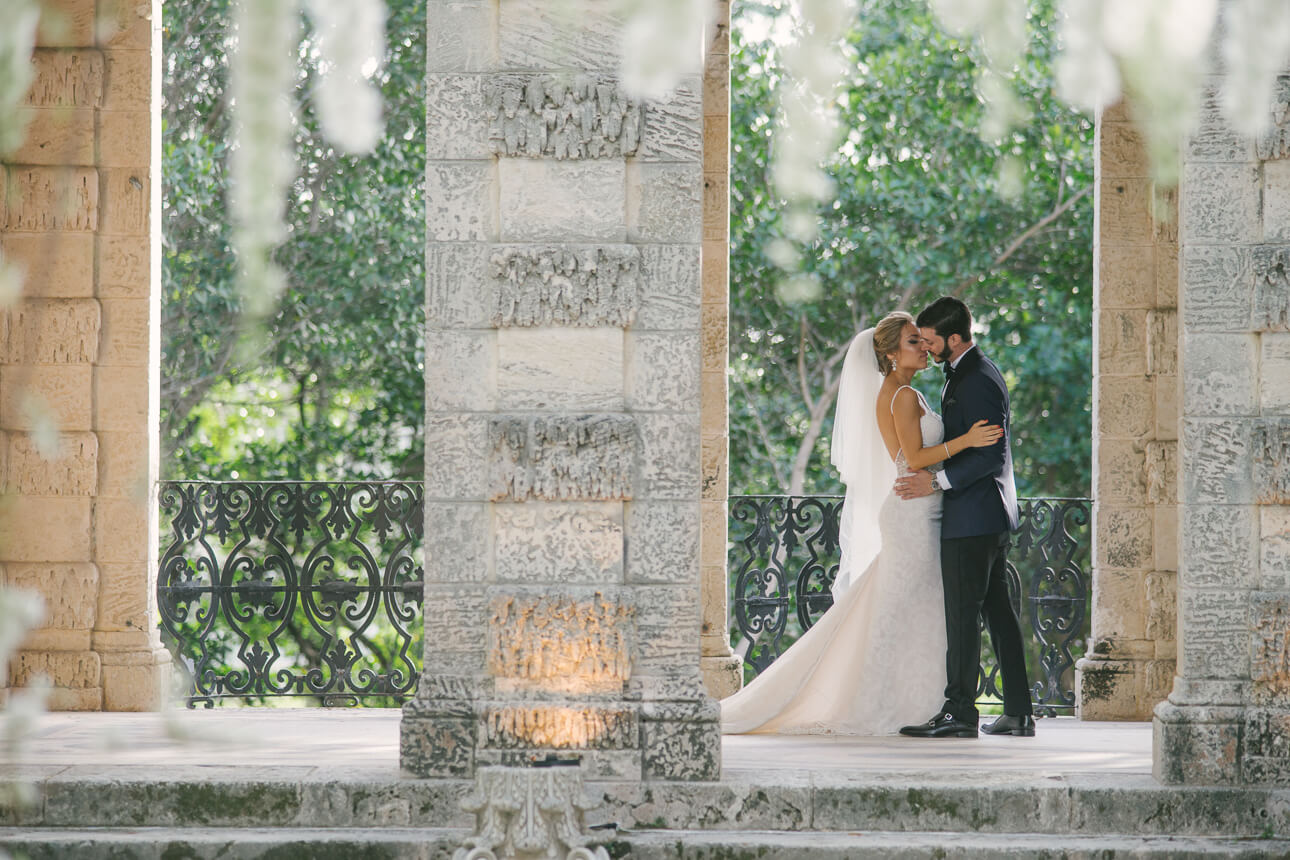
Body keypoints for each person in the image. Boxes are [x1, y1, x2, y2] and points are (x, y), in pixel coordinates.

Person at [720, 311, 1002, 735]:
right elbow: (914, 458)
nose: (924, 347)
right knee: (904, 606)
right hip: (912, 511)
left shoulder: (905, 391)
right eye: (913, 341)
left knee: (914, 608)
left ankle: (922, 702)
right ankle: (892, 703)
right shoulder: (900, 396)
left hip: (922, 506)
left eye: (922, 341)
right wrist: (966, 441)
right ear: (890, 354)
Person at [896, 296, 1035, 739]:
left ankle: (959, 713)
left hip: (972, 517)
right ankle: (1018, 713)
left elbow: (990, 457)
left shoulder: (975, 378)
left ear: (954, 339)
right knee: (998, 614)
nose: (927, 348)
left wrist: (937, 484)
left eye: (932, 341)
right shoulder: (973, 371)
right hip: (987, 516)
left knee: (962, 616)